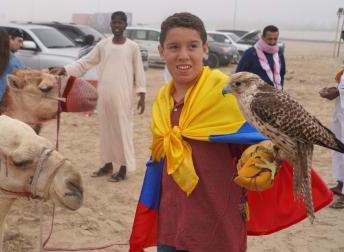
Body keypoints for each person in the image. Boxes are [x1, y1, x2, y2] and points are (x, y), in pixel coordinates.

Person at [129, 12, 332, 252]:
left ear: (205, 49)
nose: (183, 55)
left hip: (217, 228)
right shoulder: (162, 102)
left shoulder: (229, 96)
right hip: (172, 224)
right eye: (174, 47)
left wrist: (266, 155)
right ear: (161, 51)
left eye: (192, 46)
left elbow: (262, 141)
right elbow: (158, 165)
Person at [51, 11, 146, 182]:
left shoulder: (132, 47)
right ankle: (107, 164)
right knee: (106, 131)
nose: (117, 26)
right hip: (104, 94)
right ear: (110, 24)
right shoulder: (103, 45)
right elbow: (86, 61)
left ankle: (124, 168)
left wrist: (142, 93)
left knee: (122, 131)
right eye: (114, 23)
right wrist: (65, 69)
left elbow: (139, 70)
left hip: (122, 95)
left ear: (125, 25)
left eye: (120, 23)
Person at [319, 68, 344, 208]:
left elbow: (339, 90)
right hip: (340, 113)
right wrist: (333, 90)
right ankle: (341, 184)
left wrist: (334, 92)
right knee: (339, 147)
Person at [236, 25, 286, 90]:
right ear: (263, 37)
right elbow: (238, 76)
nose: (272, 42)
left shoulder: (279, 53)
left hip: (276, 94)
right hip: (255, 96)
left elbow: (282, 73)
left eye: (275, 39)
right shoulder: (250, 53)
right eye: (269, 39)